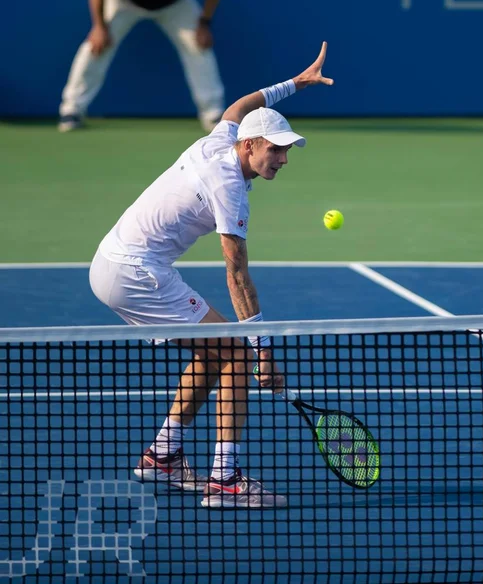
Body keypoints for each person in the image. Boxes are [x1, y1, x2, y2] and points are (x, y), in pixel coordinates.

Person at [89, 42, 334, 508]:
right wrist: (263, 352)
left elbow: (240, 106)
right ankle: (226, 480)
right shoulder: (229, 189)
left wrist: (295, 85)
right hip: (136, 272)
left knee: (215, 351)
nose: (282, 159)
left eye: (286, 151)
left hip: (111, 262)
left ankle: (162, 455)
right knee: (238, 354)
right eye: (275, 150)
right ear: (249, 146)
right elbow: (237, 275)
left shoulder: (218, 142)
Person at [58, 0, 225, 133]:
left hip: (175, 3)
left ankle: (213, 114)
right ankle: (71, 109)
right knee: (95, 46)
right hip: (123, 1)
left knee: (198, 46)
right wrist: (99, 26)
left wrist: (204, 24)